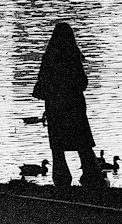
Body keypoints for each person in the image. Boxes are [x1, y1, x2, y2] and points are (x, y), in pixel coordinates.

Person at [32, 21, 104, 191]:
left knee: (57, 146)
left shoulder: (49, 57)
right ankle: (92, 177)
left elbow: (41, 86)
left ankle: (62, 179)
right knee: (83, 143)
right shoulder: (73, 56)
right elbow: (83, 83)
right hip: (75, 107)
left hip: (55, 107)